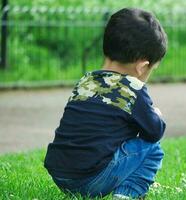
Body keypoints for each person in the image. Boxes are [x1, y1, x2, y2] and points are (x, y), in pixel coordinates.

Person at [44, 7, 168, 200]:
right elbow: (153, 131)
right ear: (142, 66)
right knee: (153, 148)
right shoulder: (132, 88)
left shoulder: (86, 81)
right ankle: (127, 194)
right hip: (90, 179)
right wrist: (157, 115)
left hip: (60, 174)